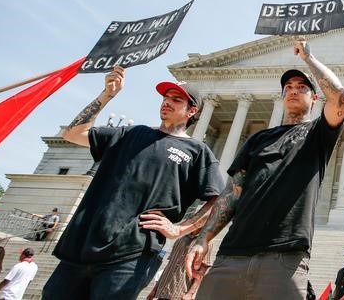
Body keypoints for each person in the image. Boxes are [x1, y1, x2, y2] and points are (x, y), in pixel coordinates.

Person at [187, 36, 344, 300]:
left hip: (283, 259)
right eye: (288, 87)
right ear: (282, 95)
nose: (294, 90)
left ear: (315, 97)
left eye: (302, 87)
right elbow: (232, 194)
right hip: (230, 256)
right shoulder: (258, 140)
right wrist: (204, 238)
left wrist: (308, 58)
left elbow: (340, 97)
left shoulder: (318, 134)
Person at [42, 67, 224, 299]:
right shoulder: (129, 134)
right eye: (165, 97)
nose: (167, 102)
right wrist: (107, 94)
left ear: (192, 111)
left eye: (176, 100)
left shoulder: (197, 152)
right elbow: (73, 134)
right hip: (79, 249)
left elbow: (220, 200)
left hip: (131, 256)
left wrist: (180, 228)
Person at [146, 231, 212, 300]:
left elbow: (202, 271)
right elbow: (169, 266)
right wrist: (155, 289)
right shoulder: (181, 238)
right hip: (163, 292)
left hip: (181, 295)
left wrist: (191, 293)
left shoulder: (205, 243)